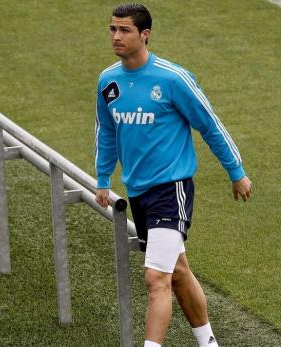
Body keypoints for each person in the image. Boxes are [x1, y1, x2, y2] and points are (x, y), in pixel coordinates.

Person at [93, 3, 252, 347]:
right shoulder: (108, 81)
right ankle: (208, 342)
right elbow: (106, 131)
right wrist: (103, 179)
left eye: (124, 31)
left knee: (155, 278)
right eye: (112, 29)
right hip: (137, 191)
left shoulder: (173, 79)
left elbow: (209, 125)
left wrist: (236, 171)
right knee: (177, 272)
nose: (116, 37)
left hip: (171, 188)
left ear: (144, 35)